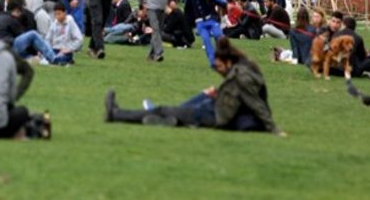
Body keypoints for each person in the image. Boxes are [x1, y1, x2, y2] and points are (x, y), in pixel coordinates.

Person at [104, 38, 281, 134]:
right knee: (175, 109)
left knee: (164, 110)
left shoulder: (243, 75)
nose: (217, 70)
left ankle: (116, 114)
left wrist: (274, 129)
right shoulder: (241, 69)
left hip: (214, 115)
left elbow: (256, 103)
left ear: (228, 62)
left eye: (218, 66)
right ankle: (171, 120)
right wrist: (219, 92)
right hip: (216, 108)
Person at [184, 0, 227, 67]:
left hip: (211, 19)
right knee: (206, 41)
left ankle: (224, 57)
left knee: (218, 36)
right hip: (200, 23)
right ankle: (213, 62)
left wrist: (226, 5)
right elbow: (187, 7)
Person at [14, 3, 83, 65]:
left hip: (65, 50)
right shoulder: (54, 23)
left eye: (59, 14)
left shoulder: (70, 22)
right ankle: (54, 60)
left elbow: (79, 39)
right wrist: (44, 50)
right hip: (54, 50)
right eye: (55, 14)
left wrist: (70, 48)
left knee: (63, 57)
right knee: (48, 57)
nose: (57, 16)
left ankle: (60, 60)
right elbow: (48, 39)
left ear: (65, 13)